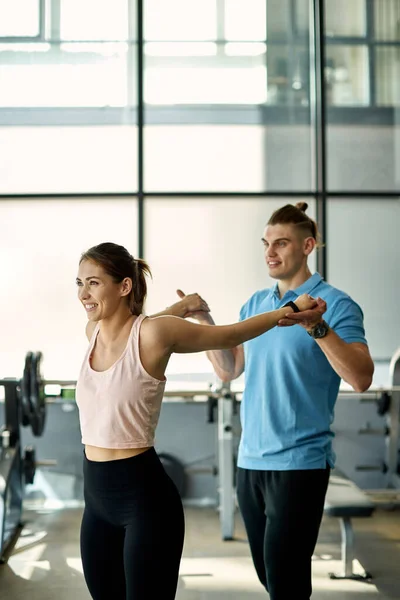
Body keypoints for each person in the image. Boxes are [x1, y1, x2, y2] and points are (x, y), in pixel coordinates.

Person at [74, 241, 316, 600]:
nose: (83, 294)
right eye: (79, 283)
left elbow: (230, 335)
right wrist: (183, 306)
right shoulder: (93, 333)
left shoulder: (156, 335)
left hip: (145, 502)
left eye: (93, 283)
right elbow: (133, 324)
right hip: (96, 502)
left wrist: (290, 309)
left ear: (124, 286)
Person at [178, 202, 375, 600]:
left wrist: (314, 324)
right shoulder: (256, 305)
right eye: (266, 243)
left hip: (300, 463)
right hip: (250, 461)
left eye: (281, 243)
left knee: (286, 582)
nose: (270, 252)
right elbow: (230, 369)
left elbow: (360, 377)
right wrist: (204, 321)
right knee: (270, 576)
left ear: (308, 246)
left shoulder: (336, 304)